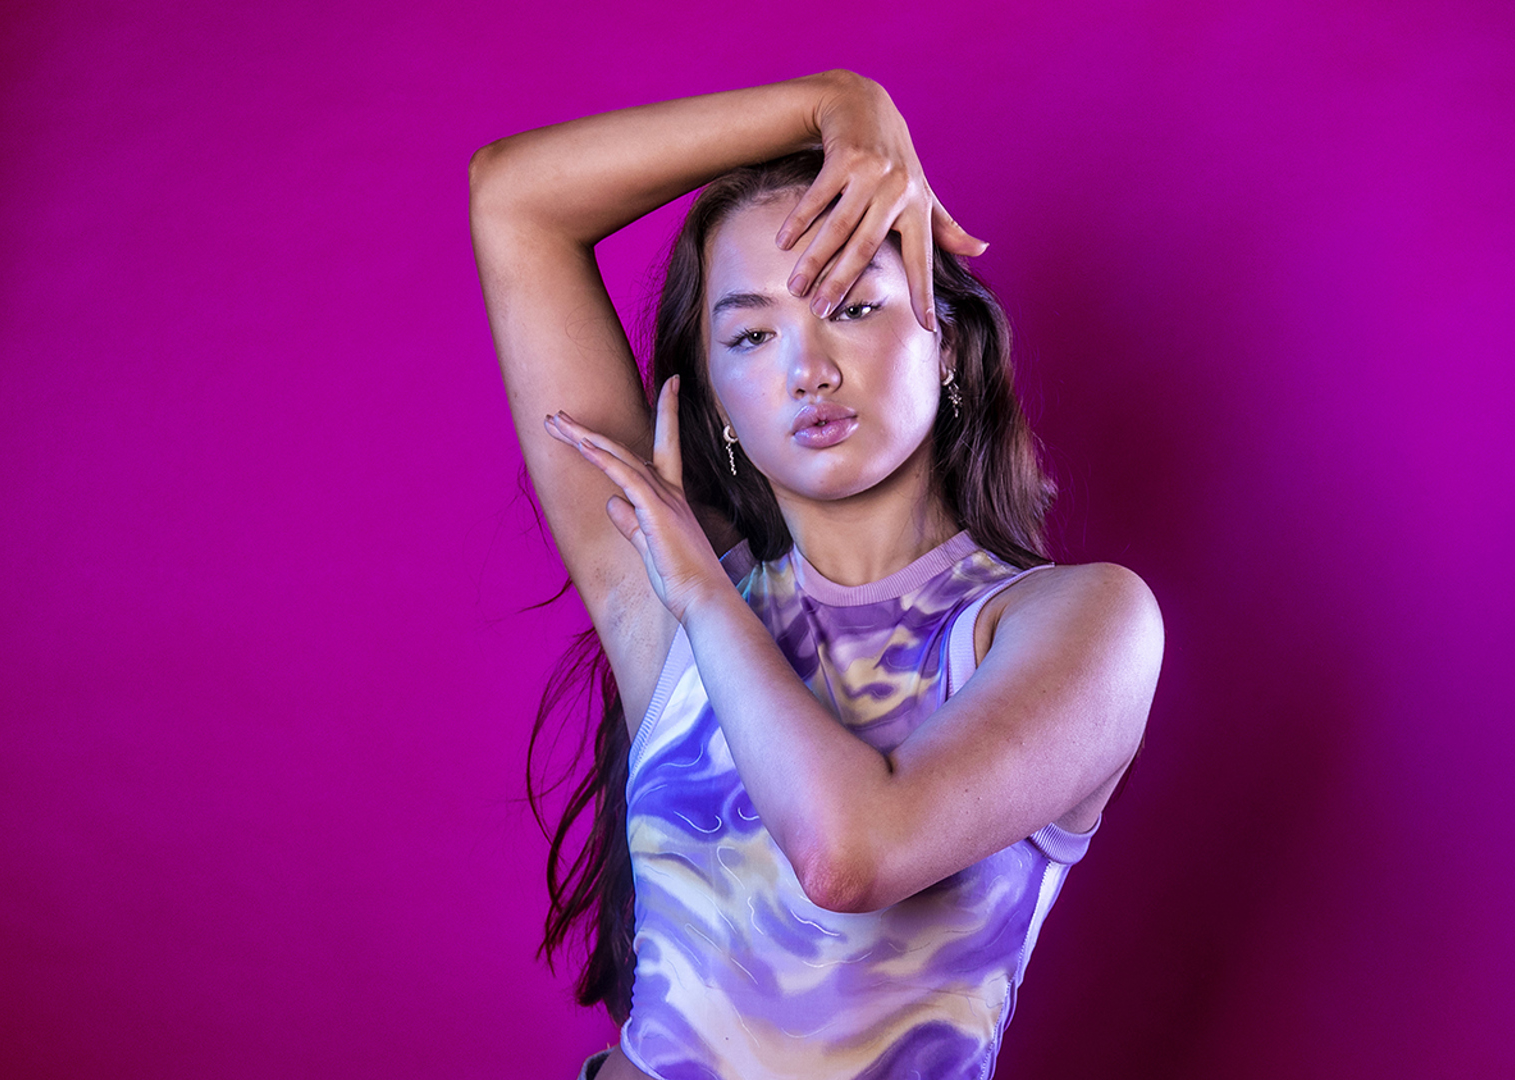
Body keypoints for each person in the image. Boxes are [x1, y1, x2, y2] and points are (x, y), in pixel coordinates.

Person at [469, 70, 1163, 1080]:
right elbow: (514, 199)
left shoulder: (1077, 622)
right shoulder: (668, 591)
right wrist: (831, 104)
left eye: (849, 304)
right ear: (713, 407)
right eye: (752, 334)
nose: (808, 369)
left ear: (950, 345)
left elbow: (852, 856)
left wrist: (703, 595)